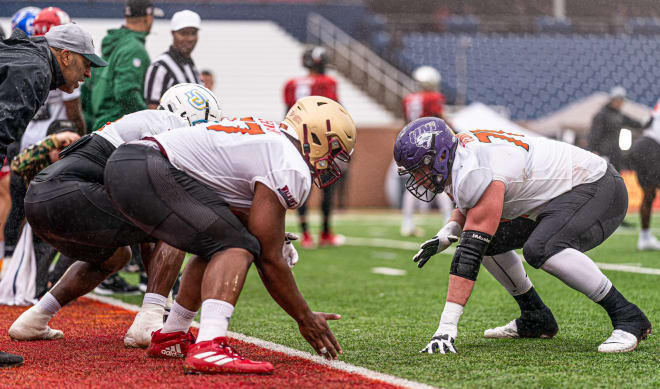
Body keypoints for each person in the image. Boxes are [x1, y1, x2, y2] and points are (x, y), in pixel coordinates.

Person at [103, 96, 355, 374]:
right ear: (313, 134)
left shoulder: (271, 138)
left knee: (222, 241)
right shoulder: (290, 162)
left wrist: (277, 239)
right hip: (148, 168)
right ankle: (211, 344)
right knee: (238, 245)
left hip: (132, 164)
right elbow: (268, 259)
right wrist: (305, 317)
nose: (333, 160)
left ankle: (172, 335)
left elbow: (244, 218)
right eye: (333, 149)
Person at [395, 117, 651, 354]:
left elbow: (469, 252)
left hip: (598, 187)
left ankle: (629, 317)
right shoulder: (461, 155)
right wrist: (448, 232)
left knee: (542, 248)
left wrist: (446, 327)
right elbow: (469, 209)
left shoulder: (477, 170)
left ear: (439, 156)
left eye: (419, 169)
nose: (417, 178)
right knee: (492, 243)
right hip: (562, 196)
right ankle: (535, 316)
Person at [8, 84, 221, 350]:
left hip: (41, 201)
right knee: (176, 221)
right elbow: (165, 203)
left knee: (117, 256)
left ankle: (35, 318)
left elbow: (147, 210)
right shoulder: (168, 124)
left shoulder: (143, 122)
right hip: (68, 193)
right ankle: (149, 319)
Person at [0, 21, 105, 369]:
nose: (88, 73)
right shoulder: (33, 70)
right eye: (85, 63)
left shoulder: (28, 59)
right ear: (64, 55)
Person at [283, 46, 344, 248]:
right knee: (327, 186)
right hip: (322, 140)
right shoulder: (329, 82)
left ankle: (306, 234)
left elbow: (289, 115)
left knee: (303, 187)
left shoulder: (291, 84)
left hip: (299, 141)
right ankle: (325, 233)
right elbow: (335, 111)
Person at [82, 0, 162, 130]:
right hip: (118, 129)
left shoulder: (114, 44)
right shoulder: (134, 49)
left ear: (126, 17)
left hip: (100, 126)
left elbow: (87, 89)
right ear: (148, 18)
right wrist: (150, 120)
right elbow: (126, 92)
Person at [400, 66, 453, 237]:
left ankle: (407, 222)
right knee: (440, 180)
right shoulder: (433, 97)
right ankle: (447, 220)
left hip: (411, 143)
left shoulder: (408, 99)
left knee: (414, 182)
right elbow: (440, 119)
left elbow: (405, 122)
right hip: (429, 143)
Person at [144, 10, 202, 109]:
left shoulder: (189, 65)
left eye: (193, 33)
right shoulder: (160, 66)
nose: (189, 38)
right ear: (173, 34)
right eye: (183, 33)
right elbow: (152, 109)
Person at [588, 86, 645, 172]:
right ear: (613, 100)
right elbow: (595, 134)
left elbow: (634, 123)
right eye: (619, 100)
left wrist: (645, 123)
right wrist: (594, 150)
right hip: (604, 153)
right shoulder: (602, 115)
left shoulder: (619, 115)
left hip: (615, 152)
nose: (621, 103)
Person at [629, 99, 660, 250]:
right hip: (650, 148)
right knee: (649, 193)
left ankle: (645, 237)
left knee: (649, 194)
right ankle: (645, 237)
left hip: (641, 146)